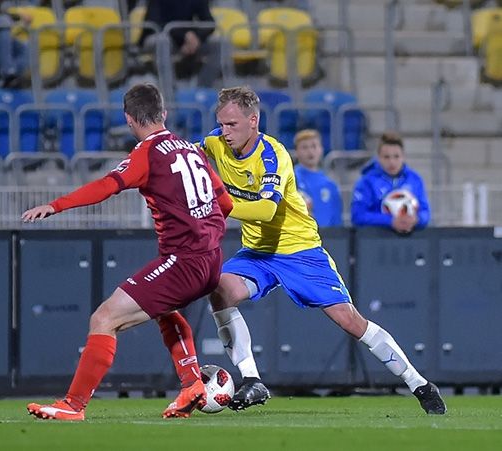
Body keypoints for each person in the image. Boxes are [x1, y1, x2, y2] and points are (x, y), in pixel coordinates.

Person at [199, 86, 446, 414]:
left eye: (231, 124)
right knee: (219, 291)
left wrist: (215, 206)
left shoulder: (274, 155)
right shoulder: (215, 143)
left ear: (253, 121)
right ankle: (251, 380)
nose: (224, 132)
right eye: (221, 124)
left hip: (300, 250)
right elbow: (187, 158)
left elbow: (266, 211)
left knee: (350, 321)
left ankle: (419, 384)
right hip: (258, 253)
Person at [22, 83, 234, 421]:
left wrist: (56, 205)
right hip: (211, 258)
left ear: (129, 119)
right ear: (163, 114)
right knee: (165, 311)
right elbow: (225, 203)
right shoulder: (193, 151)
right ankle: (192, 384)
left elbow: (107, 186)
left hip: (184, 260)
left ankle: (73, 405)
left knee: (104, 319)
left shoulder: (147, 152)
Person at [351, 131, 430, 234]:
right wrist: (389, 221)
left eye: (396, 156)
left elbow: (425, 212)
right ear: (379, 157)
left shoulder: (414, 180)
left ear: (403, 157)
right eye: (386, 157)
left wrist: (416, 219)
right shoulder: (366, 182)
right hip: (375, 241)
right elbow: (358, 216)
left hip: (410, 242)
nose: (392, 162)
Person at [140, 0, 221, 87]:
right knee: (162, 41)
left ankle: (202, 89)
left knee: (220, 43)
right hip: (157, 36)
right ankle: (169, 91)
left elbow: (209, 22)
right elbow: (156, 23)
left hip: (186, 41)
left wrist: (197, 38)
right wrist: (184, 35)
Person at [293, 129, 343, 227]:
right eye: (305, 147)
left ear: (321, 149)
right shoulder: (290, 179)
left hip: (327, 238)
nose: (310, 151)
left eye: (314, 146)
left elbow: (337, 221)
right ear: (297, 151)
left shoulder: (330, 185)